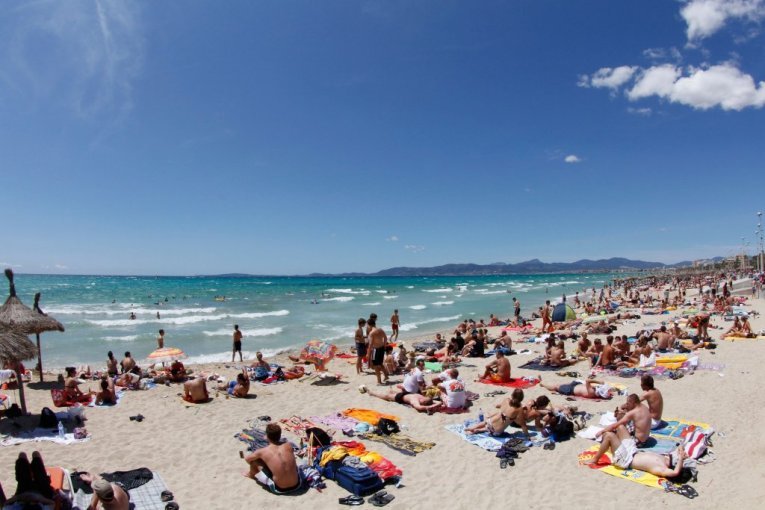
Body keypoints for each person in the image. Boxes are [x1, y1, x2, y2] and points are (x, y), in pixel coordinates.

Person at [244, 423, 302, 494]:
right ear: (280, 435)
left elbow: (247, 459)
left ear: (267, 436)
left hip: (280, 489)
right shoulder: (288, 445)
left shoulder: (263, 451)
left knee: (254, 462)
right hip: (297, 484)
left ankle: (250, 475)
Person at [466, 389, 530, 438]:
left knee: (489, 420)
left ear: (512, 395)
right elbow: (523, 424)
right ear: (521, 398)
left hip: (490, 422)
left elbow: (498, 406)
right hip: (496, 432)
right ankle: (479, 430)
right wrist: (527, 436)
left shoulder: (506, 400)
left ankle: (473, 428)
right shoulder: (519, 409)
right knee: (492, 428)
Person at [361, 385, 442, 413]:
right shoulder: (424, 398)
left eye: (424, 401)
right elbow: (437, 402)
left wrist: (429, 407)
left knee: (386, 396)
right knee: (391, 392)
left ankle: (371, 393)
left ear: (423, 402)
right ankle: (391, 391)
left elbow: (419, 408)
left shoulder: (416, 401)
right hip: (407, 394)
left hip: (400, 398)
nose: (424, 398)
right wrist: (436, 404)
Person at [540, 377, 615, 400]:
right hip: (577, 385)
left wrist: (599, 382)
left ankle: (542, 384)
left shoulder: (592, 392)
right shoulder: (595, 392)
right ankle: (544, 383)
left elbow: (588, 380)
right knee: (559, 385)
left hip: (571, 390)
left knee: (556, 387)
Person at [367, 318, 389, 385]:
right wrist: (384, 345)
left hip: (375, 350)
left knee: (376, 366)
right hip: (382, 348)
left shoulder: (371, 333)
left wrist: (368, 353)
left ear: (369, 325)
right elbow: (385, 337)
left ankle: (379, 381)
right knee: (380, 363)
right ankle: (386, 376)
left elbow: (370, 344)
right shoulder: (380, 330)